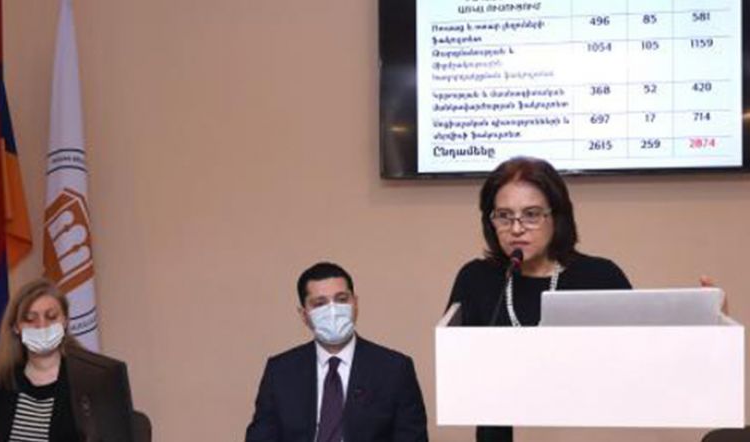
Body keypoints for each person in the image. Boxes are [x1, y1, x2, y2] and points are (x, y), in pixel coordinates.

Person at [445, 157, 632, 442]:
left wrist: (703, 322)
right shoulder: (476, 279)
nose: (516, 229)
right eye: (504, 216)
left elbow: (639, 361)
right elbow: (458, 371)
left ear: (557, 217)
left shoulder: (600, 276)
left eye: (531, 214)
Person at [246, 262, 428, 442]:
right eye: (320, 303)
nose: (333, 311)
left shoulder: (394, 369)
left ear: (355, 304)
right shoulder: (280, 372)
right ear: (304, 315)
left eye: (341, 300)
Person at [0, 278, 134, 442]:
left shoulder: (92, 379)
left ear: (65, 322)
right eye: (30, 319)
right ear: (16, 327)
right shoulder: (2, 378)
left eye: (51, 317)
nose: (42, 326)